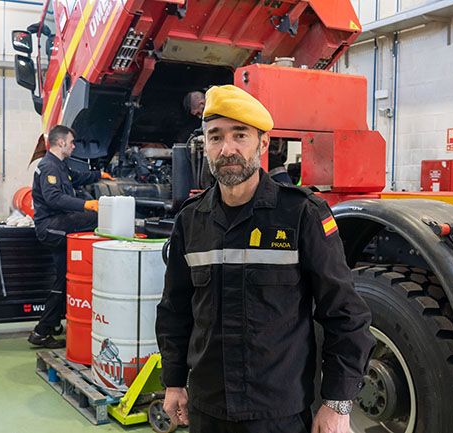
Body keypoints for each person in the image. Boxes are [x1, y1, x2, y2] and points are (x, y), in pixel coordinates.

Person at [156, 85, 375, 433]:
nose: (227, 149)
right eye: (215, 137)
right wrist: (174, 380)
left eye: (240, 135)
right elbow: (175, 310)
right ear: (205, 146)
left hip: (278, 415)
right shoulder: (191, 220)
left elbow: (344, 312)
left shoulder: (301, 214)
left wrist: (337, 403)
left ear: (262, 143)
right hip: (207, 409)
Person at [29, 124, 112, 349]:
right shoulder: (48, 166)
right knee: (97, 218)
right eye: (72, 142)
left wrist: (98, 174)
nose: (74, 146)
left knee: (63, 279)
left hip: (59, 225)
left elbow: (75, 177)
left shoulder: (59, 165)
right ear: (61, 142)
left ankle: (44, 329)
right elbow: (54, 198)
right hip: (51, 227)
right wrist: (87, 205)